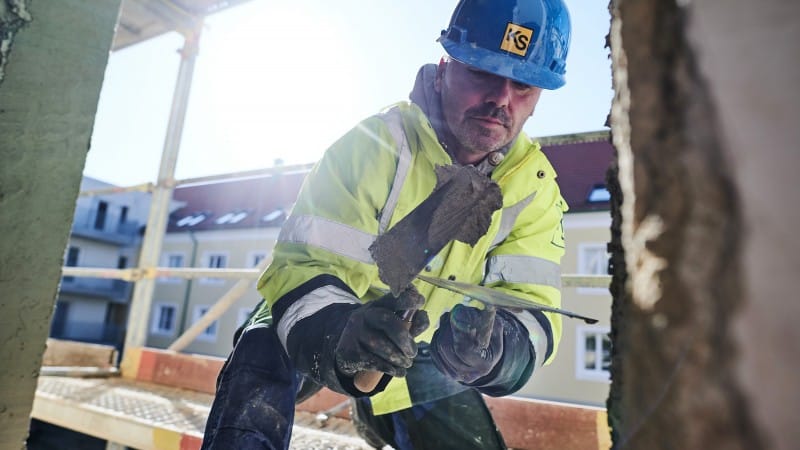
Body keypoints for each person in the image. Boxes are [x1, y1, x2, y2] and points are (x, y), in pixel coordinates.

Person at [201, 0, 571, 448]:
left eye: (524, 86)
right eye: (483, 73)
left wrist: (498, 352)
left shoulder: (535, 189)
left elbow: (533, 309)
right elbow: (303, 267)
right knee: (263, 349)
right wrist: (343, 335)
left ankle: (376, 416)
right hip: (331, 322)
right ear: (445, 66)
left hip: (422, 351)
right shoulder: (375, 146)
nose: (501, 99)